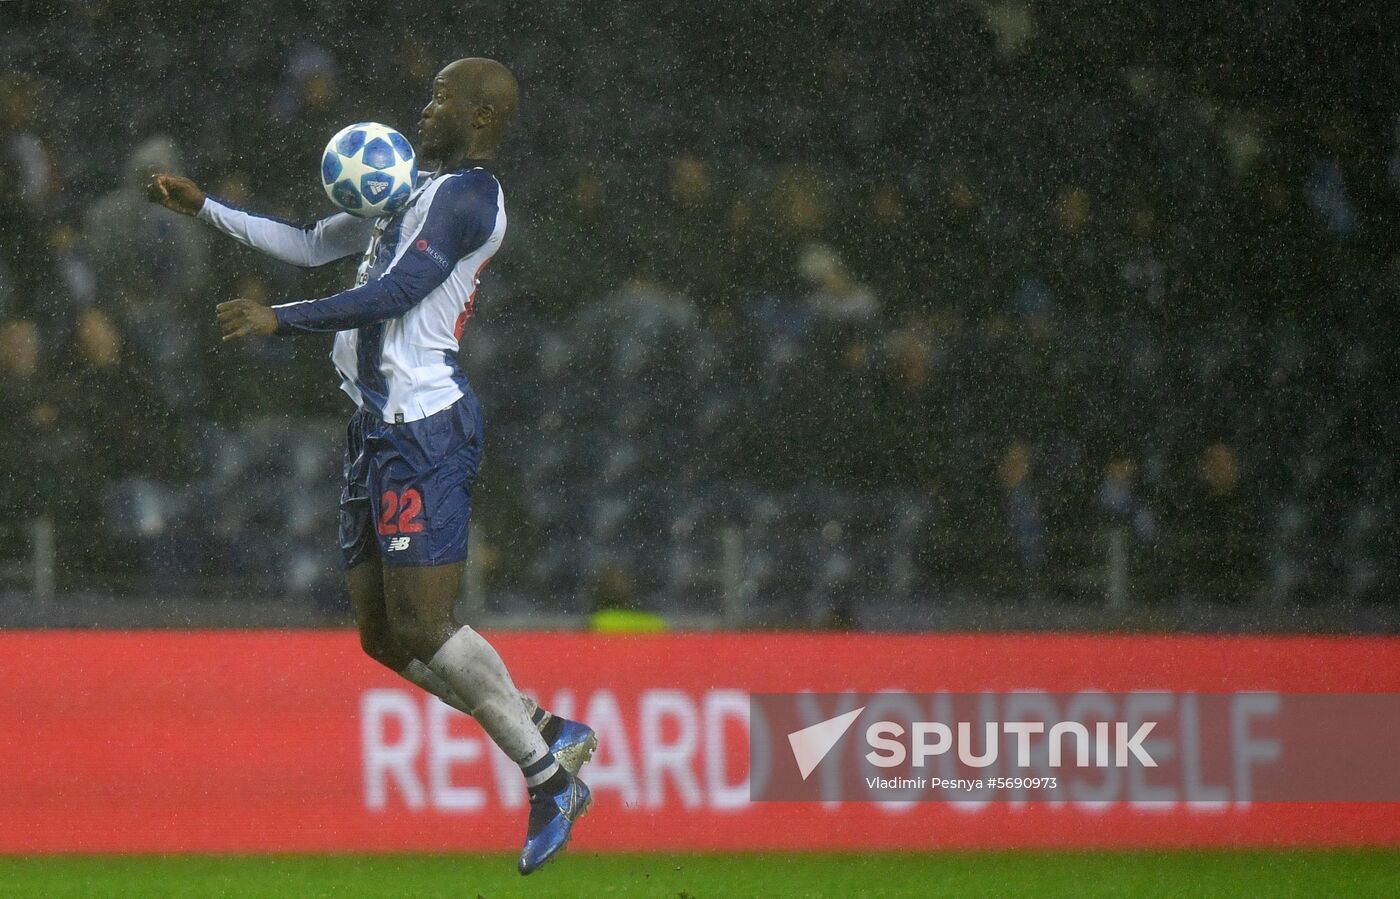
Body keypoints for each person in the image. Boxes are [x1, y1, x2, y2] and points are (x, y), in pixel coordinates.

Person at [146, 58, 593, 875]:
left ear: (484, 117)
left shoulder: (470, 198)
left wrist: (281, 319)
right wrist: (206, 209)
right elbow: (314, 243)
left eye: (441, 99)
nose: (424, 110)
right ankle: (542, 725)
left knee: (426, 621)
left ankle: (547, 779)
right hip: (374, 428)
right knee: (383, 635)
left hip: (425, 426)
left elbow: (400, 290)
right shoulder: (412, 188)